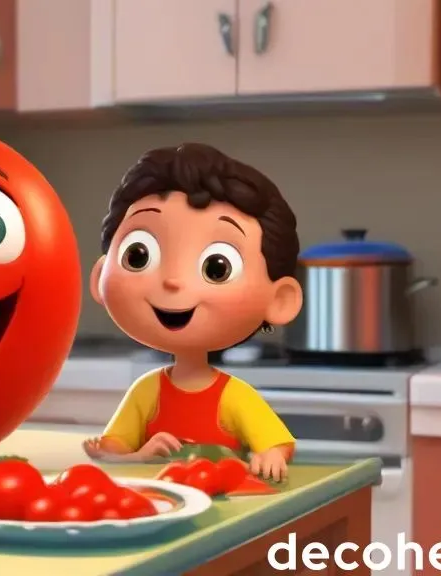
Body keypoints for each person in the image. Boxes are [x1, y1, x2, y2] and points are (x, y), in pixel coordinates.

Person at [83, 143, 302, 481]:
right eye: (138, 255)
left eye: (217, 267)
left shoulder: (234, 396)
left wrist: (270, 457)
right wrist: (141, 456)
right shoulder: (147, 391)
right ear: (100, 276)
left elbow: (276, 444)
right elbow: (114, 450)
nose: (172, 281)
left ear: (280, 300)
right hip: (156, 505)